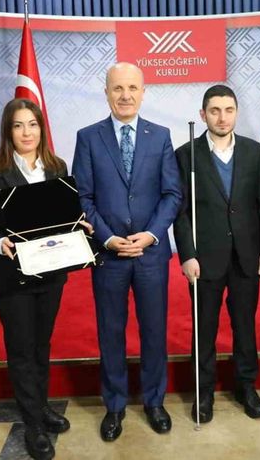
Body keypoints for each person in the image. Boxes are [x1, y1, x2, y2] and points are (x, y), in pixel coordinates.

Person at [0, 98, 90, 460]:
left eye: (33, 124)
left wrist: (78, 227)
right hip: (13, 276)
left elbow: (61, 217)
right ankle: (33, 425)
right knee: (22, 349)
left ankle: (41, 406)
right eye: (18, 125)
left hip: (51, 271)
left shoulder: (57, 167)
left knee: (41, 345)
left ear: (42, 128)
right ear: (8, 131)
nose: (27, 132)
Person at [72, 62, 182, 441]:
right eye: (118, 88)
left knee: (154, 331)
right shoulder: (88, 137)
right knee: (111, 331)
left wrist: (151, 234)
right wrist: (106, 238)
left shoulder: (160, 136)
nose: (125, 95)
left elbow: (172, 193)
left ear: (143, 92)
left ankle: (154, 401)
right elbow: (82, 197)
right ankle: (115, 405)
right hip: (109, 255)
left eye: (133, 88)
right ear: (106, 92)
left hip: (150, 254)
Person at [173, 85, 260, 423]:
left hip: (247, 254)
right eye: (214, 111)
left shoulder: (254, 151)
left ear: (236, 113)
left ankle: (246, 387)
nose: (222, 117)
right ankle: (203, 392)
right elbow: (181, 212)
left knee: (245, 325)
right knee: (204, 328)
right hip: (204, 259)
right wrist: (187, 254)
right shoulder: (186, 154)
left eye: (228, 110)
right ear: (203, 114)